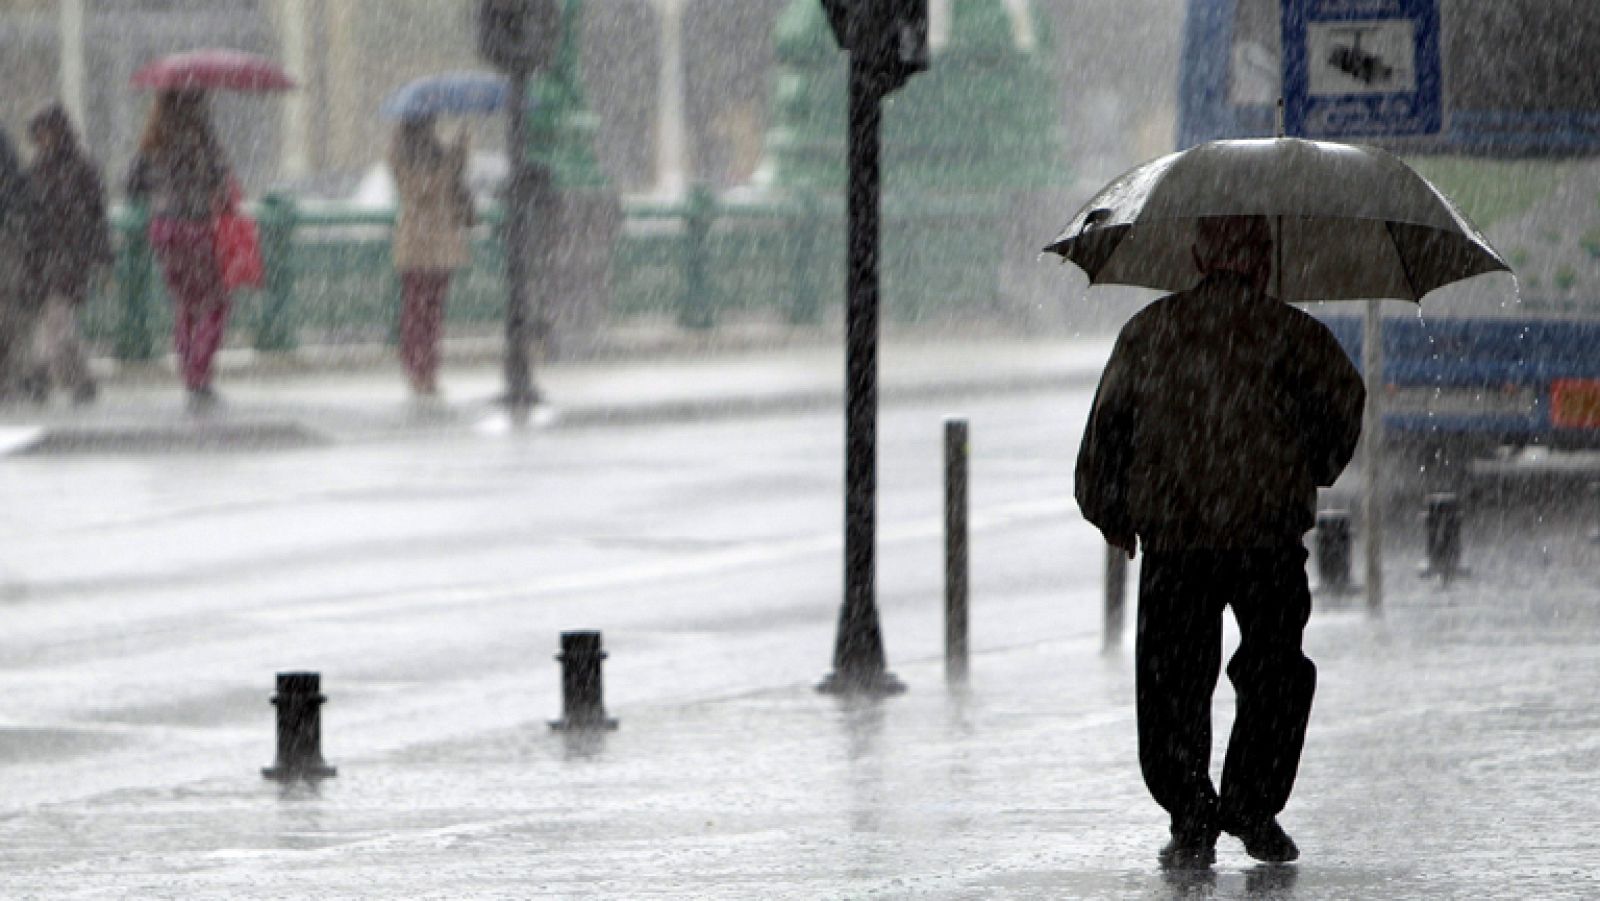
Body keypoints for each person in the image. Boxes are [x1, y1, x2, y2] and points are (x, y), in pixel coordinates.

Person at [1075, 215, 1365, 868]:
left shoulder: (1149, 332)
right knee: (1274, 672)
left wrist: (1112, 513)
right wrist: (1309, 465)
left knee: (1173, 680)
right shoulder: (1295, 335)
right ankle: (1252, 805)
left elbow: (1106, 431)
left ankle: (1191, 813)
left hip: (1177, 539)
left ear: (1197, 254)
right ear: (1263, 260)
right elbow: (1344, 407)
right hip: (1266, 537)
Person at [125, 89, 233, 411]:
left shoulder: (153, 142)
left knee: (185, 303)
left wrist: (160, 192)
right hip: (196, 228)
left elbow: (131, 184)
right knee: (215, 303)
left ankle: (189, 371)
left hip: (163, 230)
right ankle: (199, 376)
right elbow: (222, 190)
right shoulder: (203, 141)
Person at [26, 103, 111, 405]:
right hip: (52, 254)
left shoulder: (74, 169)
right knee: (56, 319)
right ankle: (78, 379)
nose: (42, 139)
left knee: (55, 317)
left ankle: (41, 373)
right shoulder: (48, 169)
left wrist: (101, 254)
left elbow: (96, 214)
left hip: (67, 255)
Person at [389, 115, 471, 398]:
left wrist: (461, 147)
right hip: (427, 243)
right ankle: (421, 370)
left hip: (426, 244)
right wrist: (450, 162)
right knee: (423, 312)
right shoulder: (407, 156)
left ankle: (423, 369)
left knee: (423, 311)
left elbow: (448, 183)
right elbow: (422, 190)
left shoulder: (428, 154)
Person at [0, 129, 45, 402]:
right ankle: (19, 373)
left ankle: (16, 373)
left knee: (9, 310)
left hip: (7, 236)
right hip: (9, 236)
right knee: (11, 310)